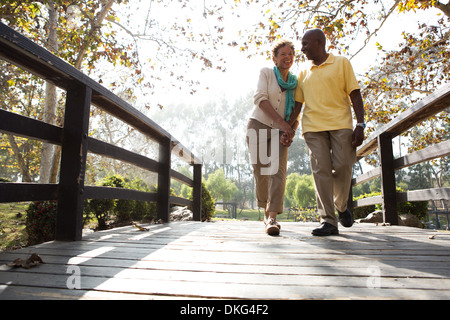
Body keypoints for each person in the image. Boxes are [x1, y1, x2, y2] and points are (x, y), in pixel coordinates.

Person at [290, 29, 365, 236]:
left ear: (319, 42)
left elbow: (355, 94)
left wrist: (361, 124)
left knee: (343, 166)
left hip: (341, 124)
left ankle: (341, 206)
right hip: (313, 128)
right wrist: (289, 127)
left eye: (306, 44)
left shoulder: (341, 63)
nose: (302, 48)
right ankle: (329, 221)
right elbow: (298, 104)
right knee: (320, 171)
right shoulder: (303, 72)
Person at [247, 40, 302, 236]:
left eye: (290, 54)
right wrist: (282, 122)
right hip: (258, 125)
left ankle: (272, 218)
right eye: (283, 54)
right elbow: (260, 98)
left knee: (277, 171)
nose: (287, 57)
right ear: (275, 58)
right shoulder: (266, 73)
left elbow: (297, 110)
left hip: (282, 130)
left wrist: (290, 130)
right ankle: (264, 211)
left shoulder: (296, 82)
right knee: (261, 171)